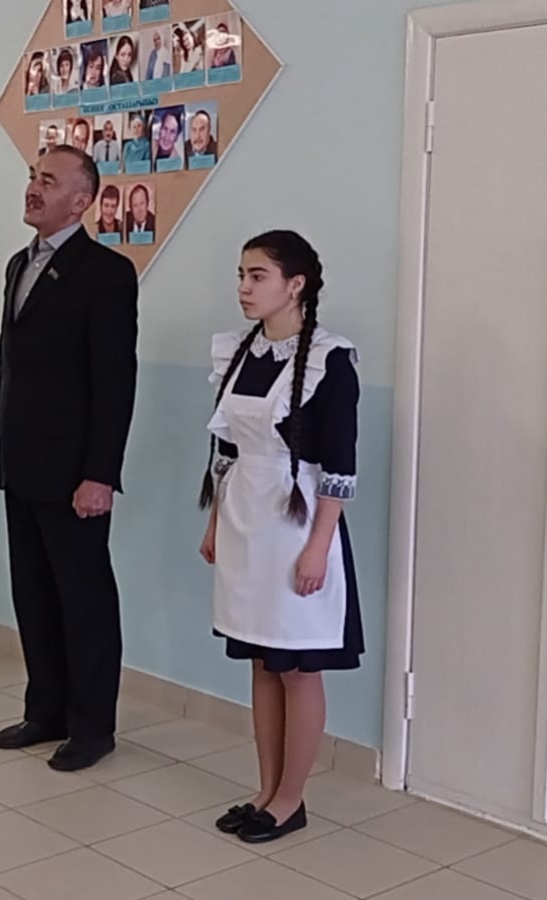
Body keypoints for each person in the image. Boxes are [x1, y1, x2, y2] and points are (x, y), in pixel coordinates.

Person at [0, 146, 139, 773]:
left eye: (48, 181)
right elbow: (13, 367)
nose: (33, 188)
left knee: (84, 601)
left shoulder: (106, 273)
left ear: (81, 201)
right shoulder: (18, 265)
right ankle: (46, 710)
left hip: (75, 473)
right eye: (33, 177)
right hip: (23, 464)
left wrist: (100, 474)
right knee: (33, 595)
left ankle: (92, 727)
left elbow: (115, 384)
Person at [199, 231, 363, 845]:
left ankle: (292, 799)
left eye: (258, 275)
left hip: (298, 526)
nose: (244, 287)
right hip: (246, 520)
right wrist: (215, 521)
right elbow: (225, 449)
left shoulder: (330, 359)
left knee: (296, 666)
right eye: (241, 275)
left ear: (296, 285)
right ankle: (265, 791)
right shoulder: (238, 351)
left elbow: (340, 465)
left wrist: (319, 546)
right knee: (263, 661)